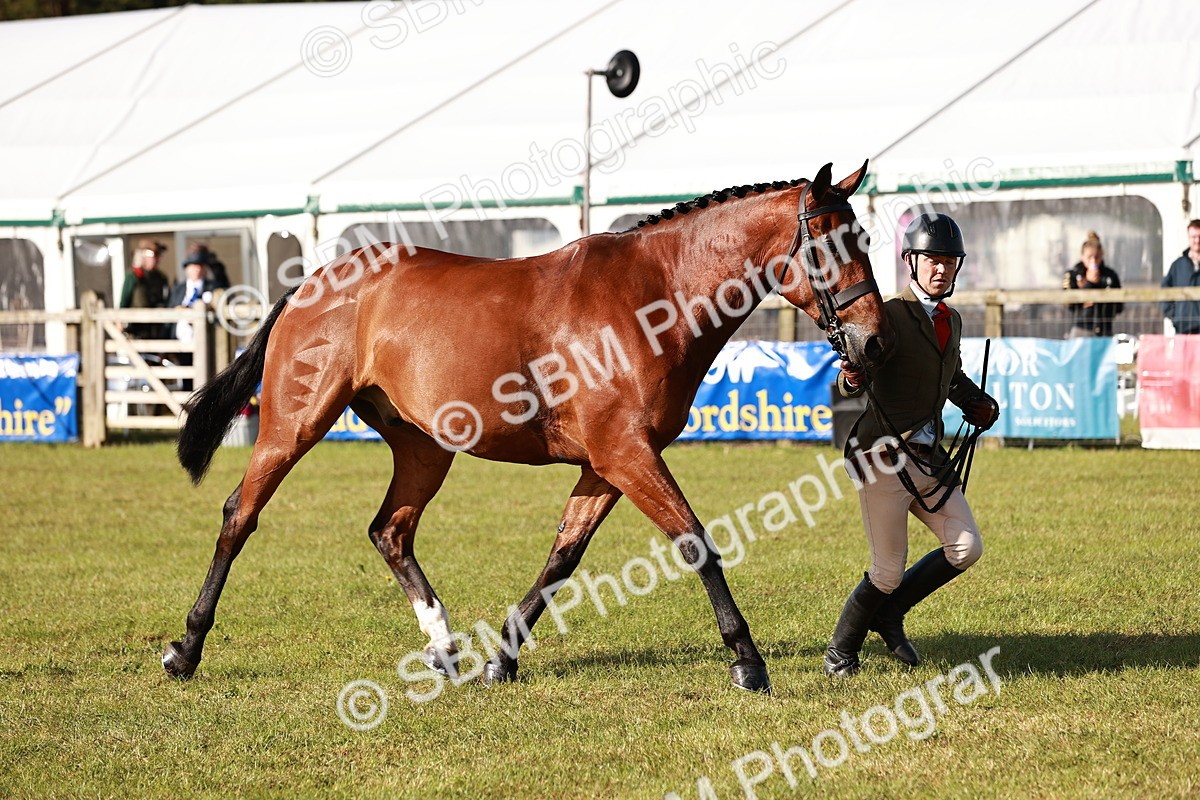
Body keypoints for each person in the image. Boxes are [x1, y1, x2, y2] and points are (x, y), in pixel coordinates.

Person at [823, 212, 999, 677]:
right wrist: (850, 375)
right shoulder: (889, 314)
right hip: (881, 456)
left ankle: (888, 613)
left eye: (948, 261)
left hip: (928, 457)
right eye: (932, 260)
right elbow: (854, 378)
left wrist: (976, 402)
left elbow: (950, 377)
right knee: (887, 571)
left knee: (966, 547)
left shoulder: (952, 319)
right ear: (911, 263)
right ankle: (841, 651)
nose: (940, 269)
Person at [1063, 232, 1122, 337]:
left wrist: (1100, 299)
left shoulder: (1110, 276)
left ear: (1101, 256)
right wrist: (1089, 284)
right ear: (1082, 256)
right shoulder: (1072, 275)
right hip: (1081, 329)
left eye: (1096, 257)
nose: (1093, 261)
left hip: (1104, 329)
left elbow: (1119, 306)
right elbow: (1069, 304)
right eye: (1089, 257)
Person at [119, 238, 170, 338]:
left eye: (158, 256)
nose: (157, 259)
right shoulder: (133, 277)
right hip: (137, 328)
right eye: (154, 255)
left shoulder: (161, 278)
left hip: (156, 328)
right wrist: (119, 320)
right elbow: (124, 301)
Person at [1160, 219, 1200, 334]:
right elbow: (1164, 292)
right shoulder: (1178, 265)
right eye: (1194, 237)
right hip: (1183, 328)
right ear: (1188, 237)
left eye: (1199, 236)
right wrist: (1175, 317)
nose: (1197, 240)